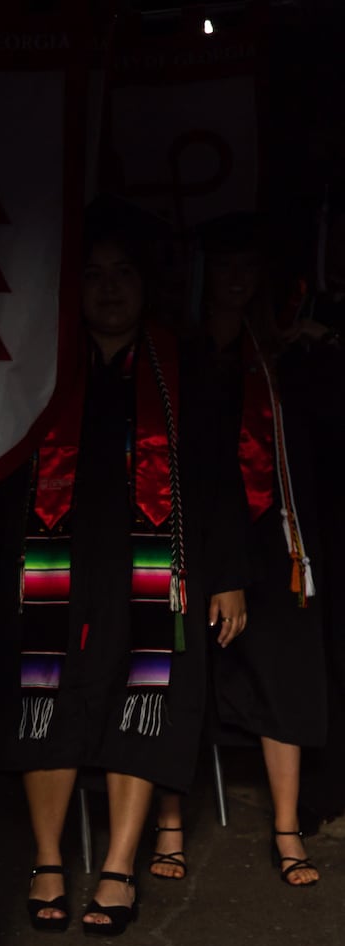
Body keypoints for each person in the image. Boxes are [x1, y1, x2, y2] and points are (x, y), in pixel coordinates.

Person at [0, 196, 248, 937]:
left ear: (146, 283)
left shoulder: (182, 363)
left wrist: (227, 573)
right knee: (47, 697)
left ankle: (118, 866)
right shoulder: (43, 365)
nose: (108, 288)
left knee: (147, 697)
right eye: (94, 273)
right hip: (52, 563)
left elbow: (219, 475)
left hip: (155, 563)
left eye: (123, 272)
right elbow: (4, 468)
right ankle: (48, 859)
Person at [151, 212, 336, 886]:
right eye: (223, 266)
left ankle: (286, 830)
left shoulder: (278, 351)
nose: (236, 279)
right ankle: (169, 825)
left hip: (276, 533)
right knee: (177, 669)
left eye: (246, 268)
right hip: (192, 530)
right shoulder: (177, 351)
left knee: (285, 668)